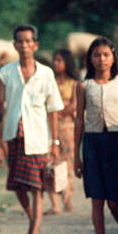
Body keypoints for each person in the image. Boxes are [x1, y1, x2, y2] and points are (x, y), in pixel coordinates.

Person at [0, 24, 64, 234]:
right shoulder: (6, 73)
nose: (24, 46)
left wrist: (55, 142)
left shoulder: (46, 73)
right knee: (18, 186)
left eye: (28, 41)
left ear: (35, 45)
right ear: (15, 45)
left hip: (39, 138)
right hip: (14, 135)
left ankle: (34, 232)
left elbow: (53, 110)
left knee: (37, 187)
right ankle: (33, 216)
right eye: (20, 42)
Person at [74, 37, 118, 234]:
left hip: (115, 141)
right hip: (92, 143)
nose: (101, 60)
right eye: (96, 55)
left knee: (113, 201)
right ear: (90, 59)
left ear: (113, 57)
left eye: (105, 55)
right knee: (97, 200)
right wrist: (76, 157)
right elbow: (79, 119)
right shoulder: (83, 86)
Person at [44, 49, 77, 215]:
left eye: (59, 60)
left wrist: (58, 112)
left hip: (67, 128)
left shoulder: (74, 83)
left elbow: (74, 105)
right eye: (54, 60)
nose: (55, 63)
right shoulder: (49, 82)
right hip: (50, 127)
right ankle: (55, 204)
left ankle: (67, 199)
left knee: (67, 164)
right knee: (50, 163)